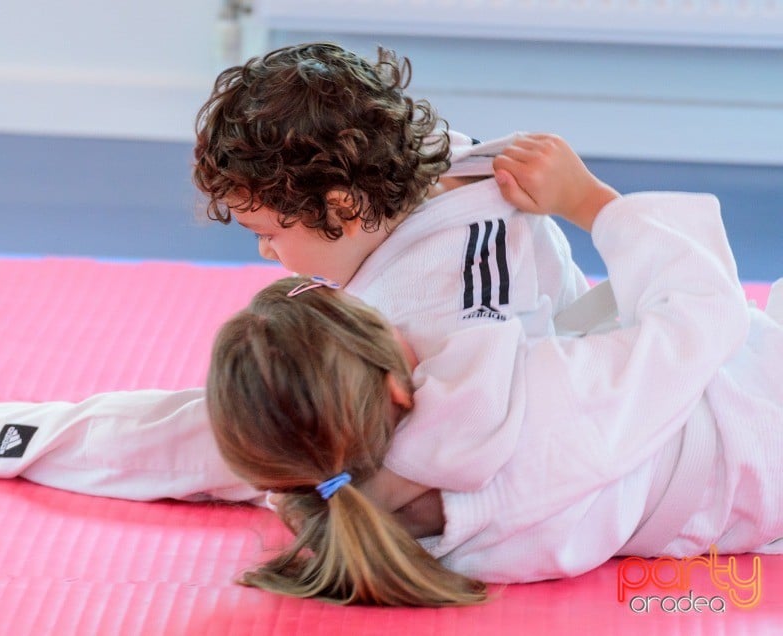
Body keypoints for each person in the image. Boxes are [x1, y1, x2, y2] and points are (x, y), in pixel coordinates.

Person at [0, 44, 588, 510]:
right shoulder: (426, 164)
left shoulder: (447, 318)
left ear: (346, 206)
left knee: (219, 428)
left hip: (609, 480)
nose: (263, 255)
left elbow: (209, 446)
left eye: (267, 233)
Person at [205, 136, 783, 607]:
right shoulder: (535, 403)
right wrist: (590, 201)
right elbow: (705, 310)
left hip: (727, 503)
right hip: (756, 426)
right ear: (393, 386)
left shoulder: (345, 513)